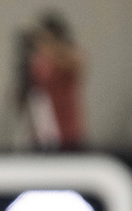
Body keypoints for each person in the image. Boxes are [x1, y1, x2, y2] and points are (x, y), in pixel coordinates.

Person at [24, 11, 86, 151]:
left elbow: (77, 62)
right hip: (44, 133)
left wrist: (51, 46)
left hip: (68, 133)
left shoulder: (69, 54)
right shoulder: (39, 60)